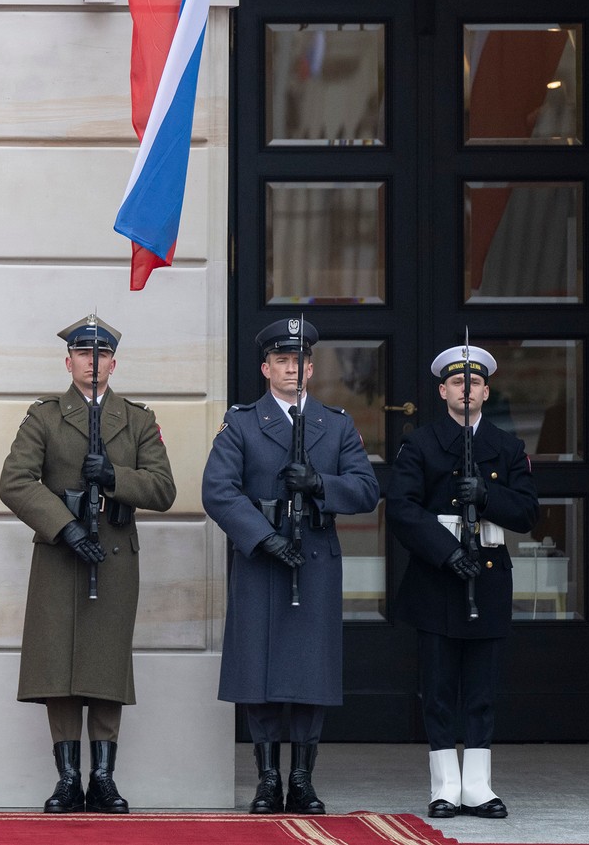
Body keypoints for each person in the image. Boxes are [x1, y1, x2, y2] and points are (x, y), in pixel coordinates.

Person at [0, 315, 175, 814]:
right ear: (68, 360)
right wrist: (65, 525)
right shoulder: (44, 416)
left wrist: (116, 476)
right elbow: (15, 481)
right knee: (58, 668)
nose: (92, 364)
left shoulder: (137, 419)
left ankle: (103, 779)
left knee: (104, 667)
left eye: (101, 356)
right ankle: (67, 780)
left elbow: (163, 488)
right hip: (61, 554)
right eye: (83, 355)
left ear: (113, 363)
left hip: (113, 556)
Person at [203, 317, 379, 816]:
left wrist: (321, 483)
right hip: (263, 560)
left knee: (309, 672)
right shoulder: (241, 422)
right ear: (265, 367)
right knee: (258, 671)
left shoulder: (337, 423)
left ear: (311, 367)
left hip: (315, 557)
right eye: (281, 361)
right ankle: (267, 779)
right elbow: (218, 490)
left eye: (299, 361)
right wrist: (263, 538)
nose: (291, 369)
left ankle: (301, 778)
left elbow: (366, 490)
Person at [387, 345, 536, 819]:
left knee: (481, 691)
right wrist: (447, 552)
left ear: (486, 391)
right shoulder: (421, 443)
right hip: (438, 579)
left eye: (474, 383)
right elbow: (403, 510)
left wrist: (489, 495)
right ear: (442, 391)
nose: (465, 390)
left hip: (488, 580)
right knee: (438, 689)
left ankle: (478, 785)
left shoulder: (508, 447)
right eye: (457, 383)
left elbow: (528, 513)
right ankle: (445, 786)